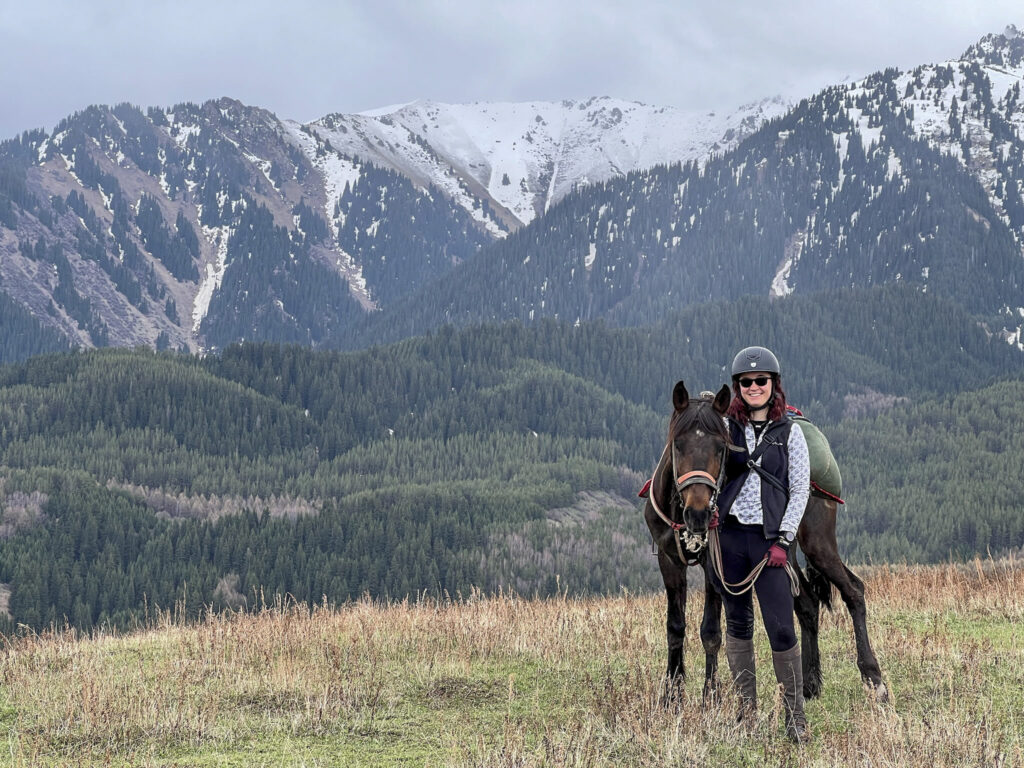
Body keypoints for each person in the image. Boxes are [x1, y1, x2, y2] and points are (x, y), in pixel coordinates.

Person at [712, 345, 811, 742]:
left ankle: (794, 721)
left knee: (781, 630)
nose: (754, 387)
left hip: (770, 543)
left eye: (761, 381)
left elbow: (800, 489)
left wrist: (785, 540)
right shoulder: (726, 428)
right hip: (731, 537)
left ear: (774, 384)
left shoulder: (792, 433)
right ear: (737, 387)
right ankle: (746, 713)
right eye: (746, 382)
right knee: (737, 624)